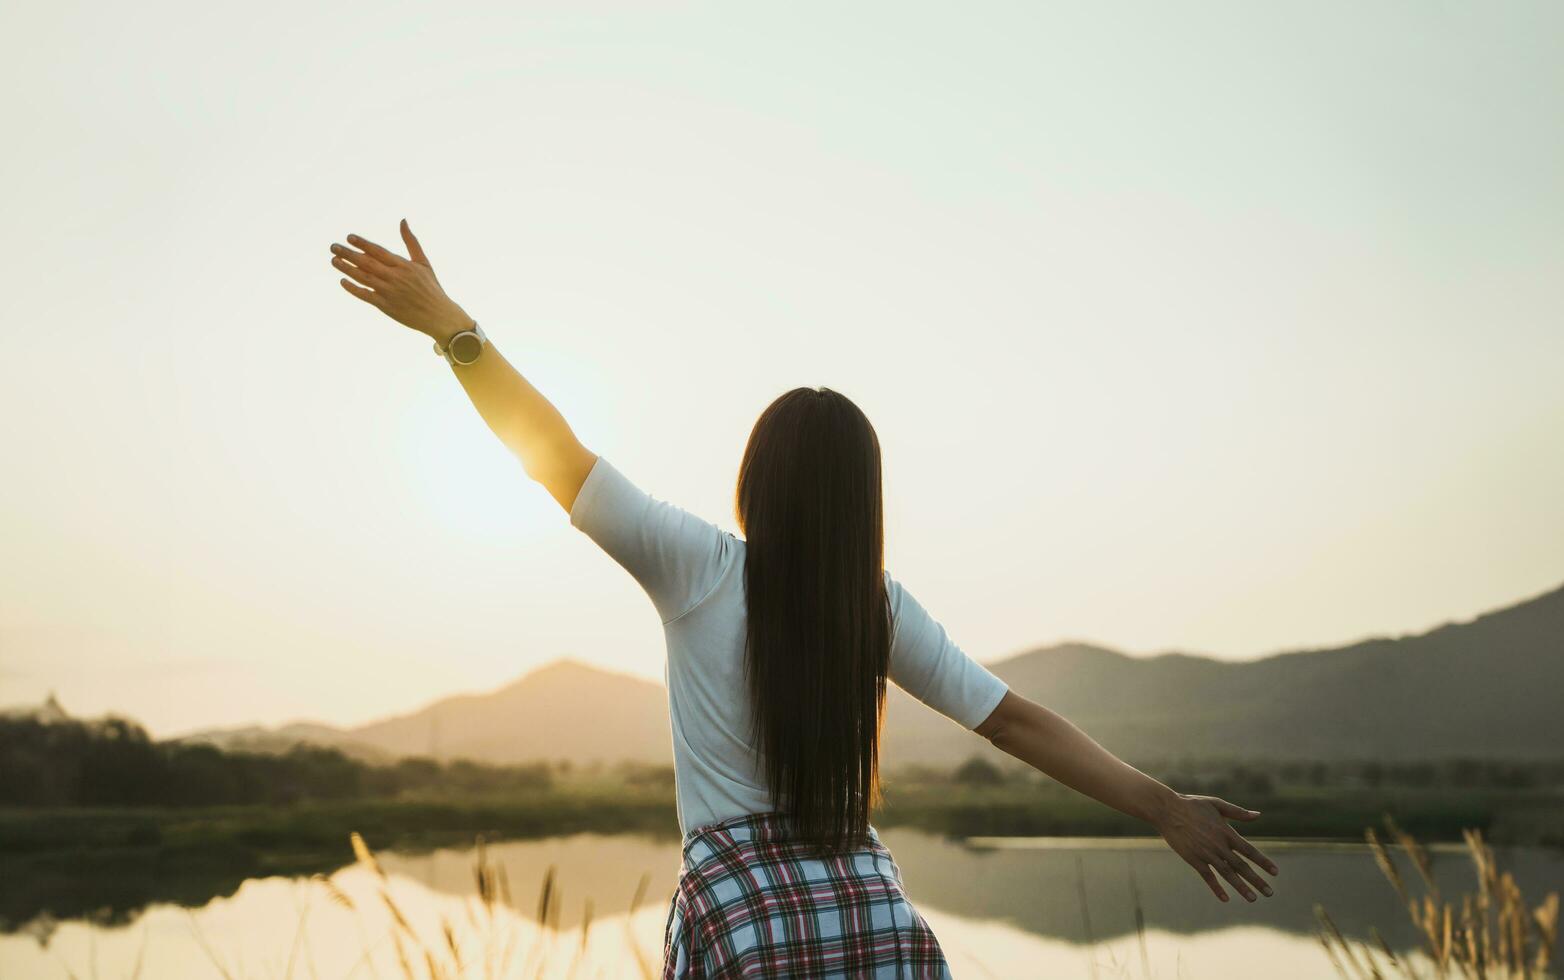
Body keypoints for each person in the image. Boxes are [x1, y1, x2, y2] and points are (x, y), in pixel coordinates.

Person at [329, 221, 1282, 978]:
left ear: (757, 481)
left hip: (745, 923)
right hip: (872, 912)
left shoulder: (697, 565)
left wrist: (454, 330)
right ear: (862, 501)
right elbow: (1015, 722)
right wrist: (1160, 806)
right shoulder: (876, 608)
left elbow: (554, 453)